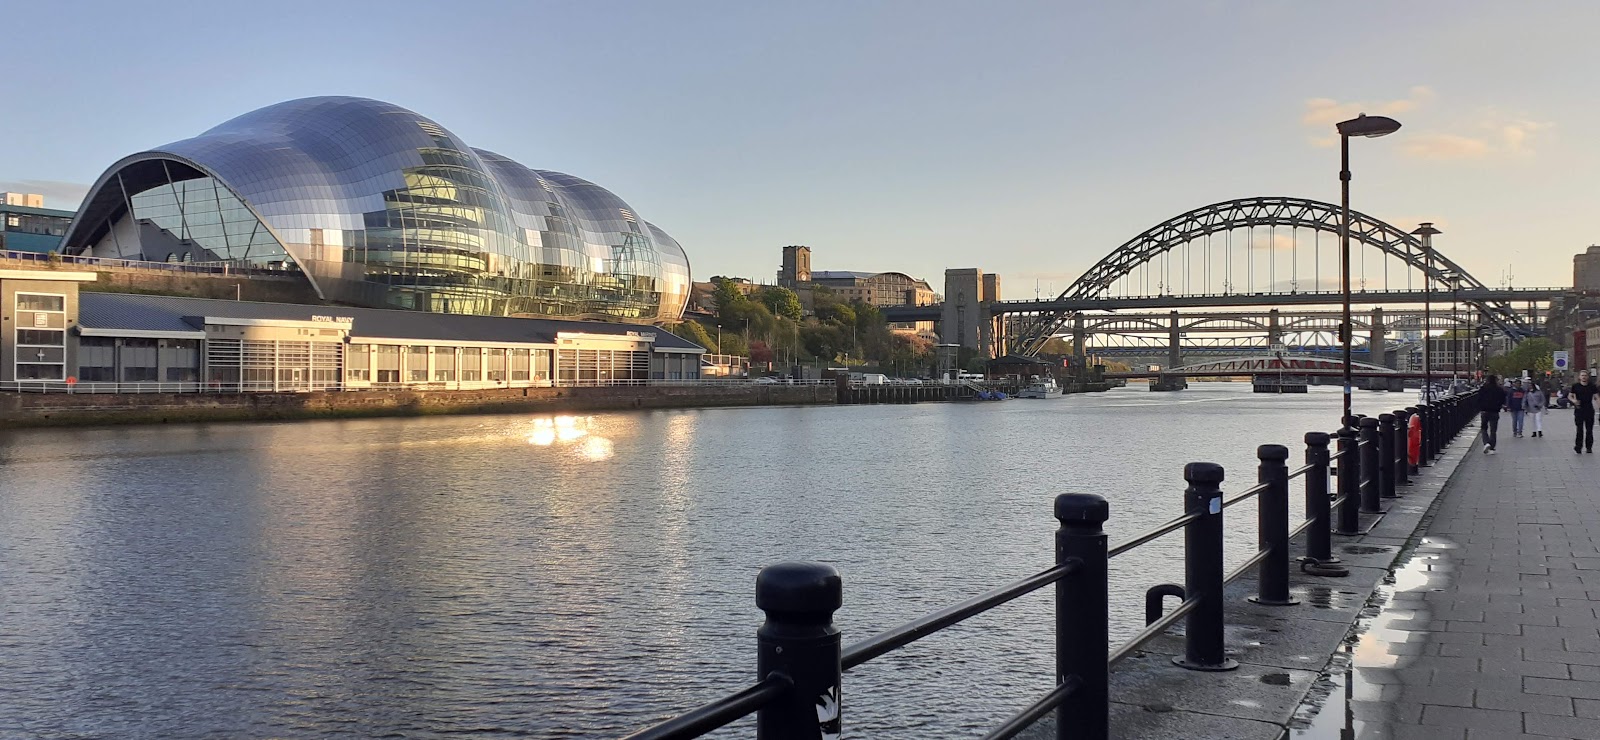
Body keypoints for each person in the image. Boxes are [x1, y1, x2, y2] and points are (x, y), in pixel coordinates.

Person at [1479, 374, 1506, 454]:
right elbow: (1502, 399)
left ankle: (1486, 442)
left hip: (1485, 411)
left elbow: (1478, 399)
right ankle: (1491, 446)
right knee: (1493, 430)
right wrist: (1499, 406)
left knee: (1484, 428)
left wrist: (1481, 407)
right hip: (1494, 411)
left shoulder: (1483, 389)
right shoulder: (1499, 390)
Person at [1574, 370, 1598, 454]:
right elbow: (1570, 395)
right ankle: (1578, 446)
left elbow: (1596, 397)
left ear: (1588, 377)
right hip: (1579, 410)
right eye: (1582, 375)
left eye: (1585, 375)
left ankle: (1589, 447)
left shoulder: (1592, 386)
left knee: (1589, 430)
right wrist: (1574, 400)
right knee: (1579, 429)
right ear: (1579, 377)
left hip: (1589, 410)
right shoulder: (1576, 386)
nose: (1584, 377)